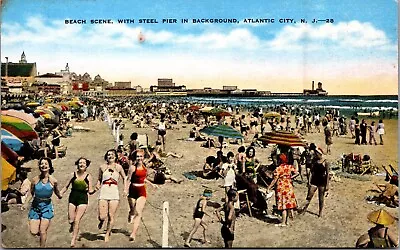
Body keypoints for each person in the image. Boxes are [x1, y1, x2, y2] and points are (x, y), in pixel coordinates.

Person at [23, 157, 63, 247]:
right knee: (33, 232)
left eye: (46, 164)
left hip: (47, 206)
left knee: (42, 231)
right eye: (42, 164)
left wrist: (60, 195)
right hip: (35, 206)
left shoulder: (53, 181)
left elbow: (56, 192)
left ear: (49, 167)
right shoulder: (35, 180)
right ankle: (40, 231)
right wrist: (25, 203)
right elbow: (31, 193)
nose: (43, 165)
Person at [60, 157, 96, 247]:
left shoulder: (88, 176)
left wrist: (95, 189)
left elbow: (90, 191)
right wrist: (60, 193)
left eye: (84, 163)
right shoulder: (73, 174)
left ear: (86, 165)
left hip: (83, 198)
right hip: (73, 197)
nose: (82, 164)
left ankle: (73, 239)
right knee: (71, 219)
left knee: (77, 220)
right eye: (80, 163)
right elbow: (66, 186)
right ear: (77, 164)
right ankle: (72, 225)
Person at [125, 149, 158, 241]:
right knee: (133, 210)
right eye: (138, 156)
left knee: (138, 212)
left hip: (141, 190)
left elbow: (143, 179)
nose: (139, 158)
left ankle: (133, 233)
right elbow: (128, 179)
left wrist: (152, 184)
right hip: (132, 190)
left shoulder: (144, 167)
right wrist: (125, 189)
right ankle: (131, 212)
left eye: (141, 156)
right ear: (135, 158)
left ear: (143, 158)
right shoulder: (132, 168)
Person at [96, 149, 127, 242]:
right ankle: (101, 221)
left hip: (114, 192)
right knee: (102, 216)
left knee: (111, 215)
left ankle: (107, 233)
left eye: (112, 154)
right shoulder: (102, 167)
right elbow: (99, 179)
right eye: (108, 155)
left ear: (116, 156)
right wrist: (97, 185)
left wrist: (125, 189)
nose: (110, 156)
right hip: (104, 191)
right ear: (106, 157)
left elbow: (125, 178)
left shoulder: (119, 167)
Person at [267, 153, 299, 227]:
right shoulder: (289, 167)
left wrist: (269, 187)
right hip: (289, 186)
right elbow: (297, 172)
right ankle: (287, 221)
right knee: (288, 205)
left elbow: (274, 180)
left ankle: (283, 222)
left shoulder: (278, 169)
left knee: (283, 206)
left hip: (281, 187)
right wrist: (291, 177)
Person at [298, 147, 330, 217]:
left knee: (321, 198)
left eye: (316, 153)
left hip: (322, 181)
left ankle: (320, 212)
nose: (315, 154)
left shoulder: (326, 162)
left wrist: (327, 185)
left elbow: (327, 174)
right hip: (314, 180)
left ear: (319, 154)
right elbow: (311, 172)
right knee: (309, 196)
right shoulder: (314, 161)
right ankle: (304, 209)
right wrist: (309, 181)